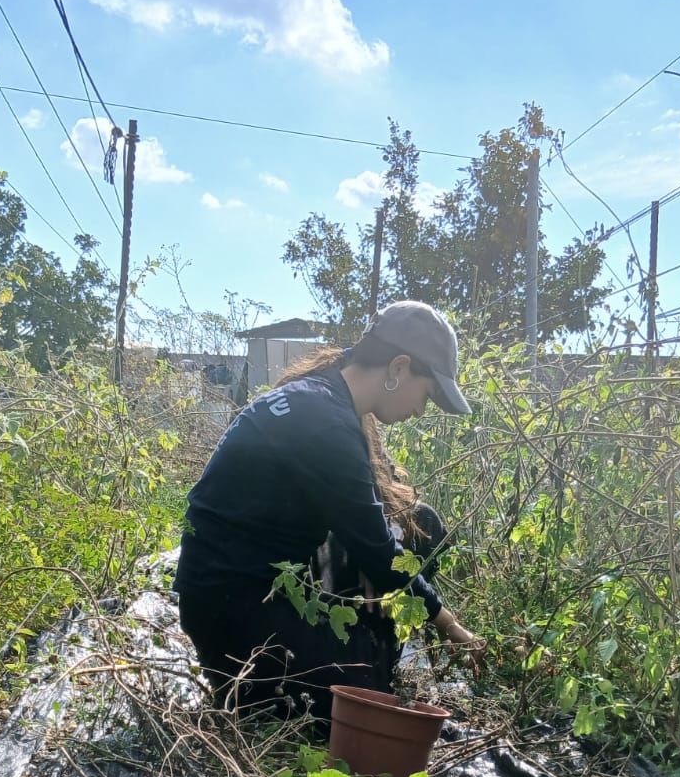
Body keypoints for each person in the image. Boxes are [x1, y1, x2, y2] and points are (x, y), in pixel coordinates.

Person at [173, 300, 482, 721]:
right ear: (398, 368)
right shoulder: (324, 422)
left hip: (267, 584)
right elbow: (378, 551)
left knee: (419, 523)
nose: (421, 410)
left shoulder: (325, 399)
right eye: (427, 394)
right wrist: (450, 626)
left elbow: (373, 519)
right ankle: (353, 657)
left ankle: (362, 640)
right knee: (361, 700)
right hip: (236, 613)